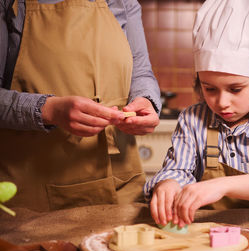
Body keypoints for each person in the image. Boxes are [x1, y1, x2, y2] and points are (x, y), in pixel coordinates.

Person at [144, 0, 249, 228]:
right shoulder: (193, 119)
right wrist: (168, 184)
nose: (221, 102)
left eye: (235, 89)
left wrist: (220, 186)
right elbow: (178, 169)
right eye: (209, 89)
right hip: (206, 228)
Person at [0, 0, 161, 211]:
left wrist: (147, 100)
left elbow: (141, 72)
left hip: (119, 181)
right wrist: (48, 110)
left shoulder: (124, 2)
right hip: (33, 187)